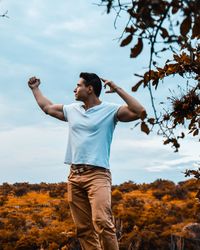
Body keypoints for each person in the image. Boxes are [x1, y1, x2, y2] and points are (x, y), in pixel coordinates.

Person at [28, 72, 146, 250]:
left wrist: (116, 88)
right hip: (74, 177)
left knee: (102, 222)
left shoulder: (110, 110)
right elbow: (48, 107)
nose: (75, 89)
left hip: (97, 176)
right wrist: (35, 89)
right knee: (83, 229)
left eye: (79, 85)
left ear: (89, 89)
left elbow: (140, 112)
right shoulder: (72, 110)